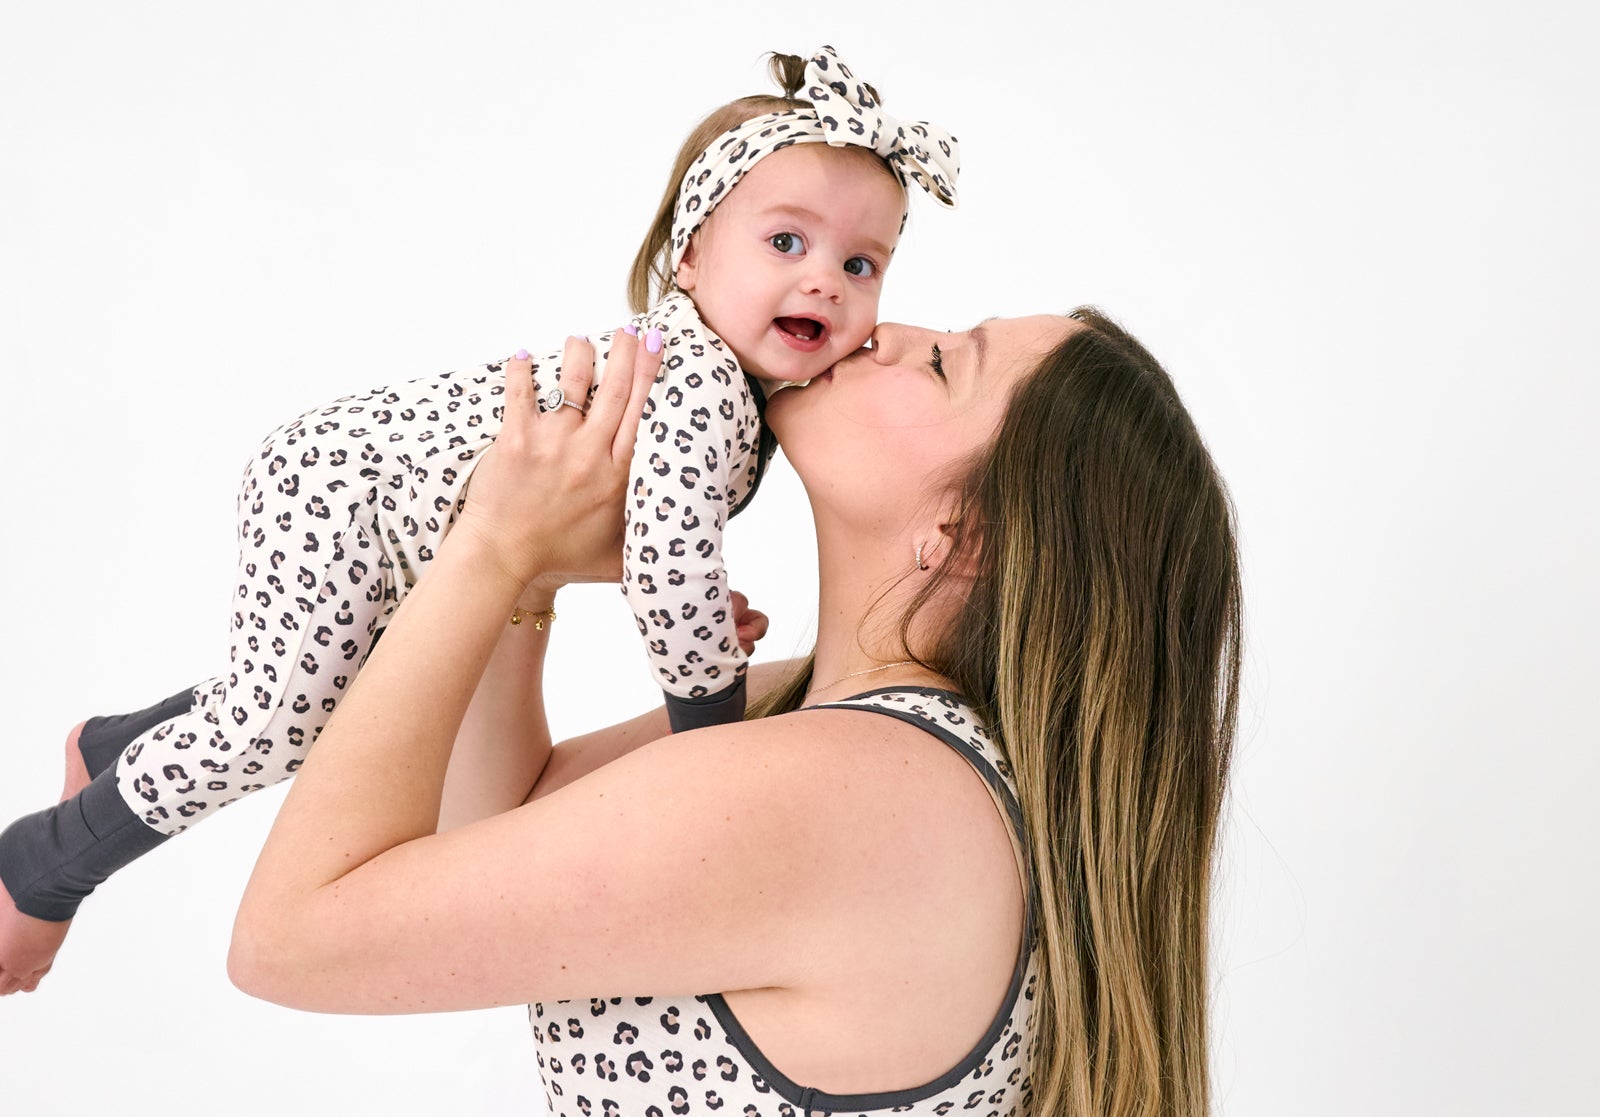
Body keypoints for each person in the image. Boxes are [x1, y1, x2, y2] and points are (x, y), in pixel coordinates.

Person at [227, 300, 1258, 1117]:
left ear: (962, 534)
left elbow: (297, 934)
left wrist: (486, 549)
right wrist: (527, 575)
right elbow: (493, 839)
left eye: (945, 364)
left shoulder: (848, 790)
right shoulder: (809, 730)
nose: (886, 327)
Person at [0, 44, 959, 995]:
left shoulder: (726, 383)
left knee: (323, 699)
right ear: (692, 252)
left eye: (861, 263)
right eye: (786, 243)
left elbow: (662, 552)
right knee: (278, 727)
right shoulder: (705, 381)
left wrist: (700, 610)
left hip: (367, 492)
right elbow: (668, 570)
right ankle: (40, 870)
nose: (825, 281)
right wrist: (711, 730)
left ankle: (111, 748)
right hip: (351, 491)